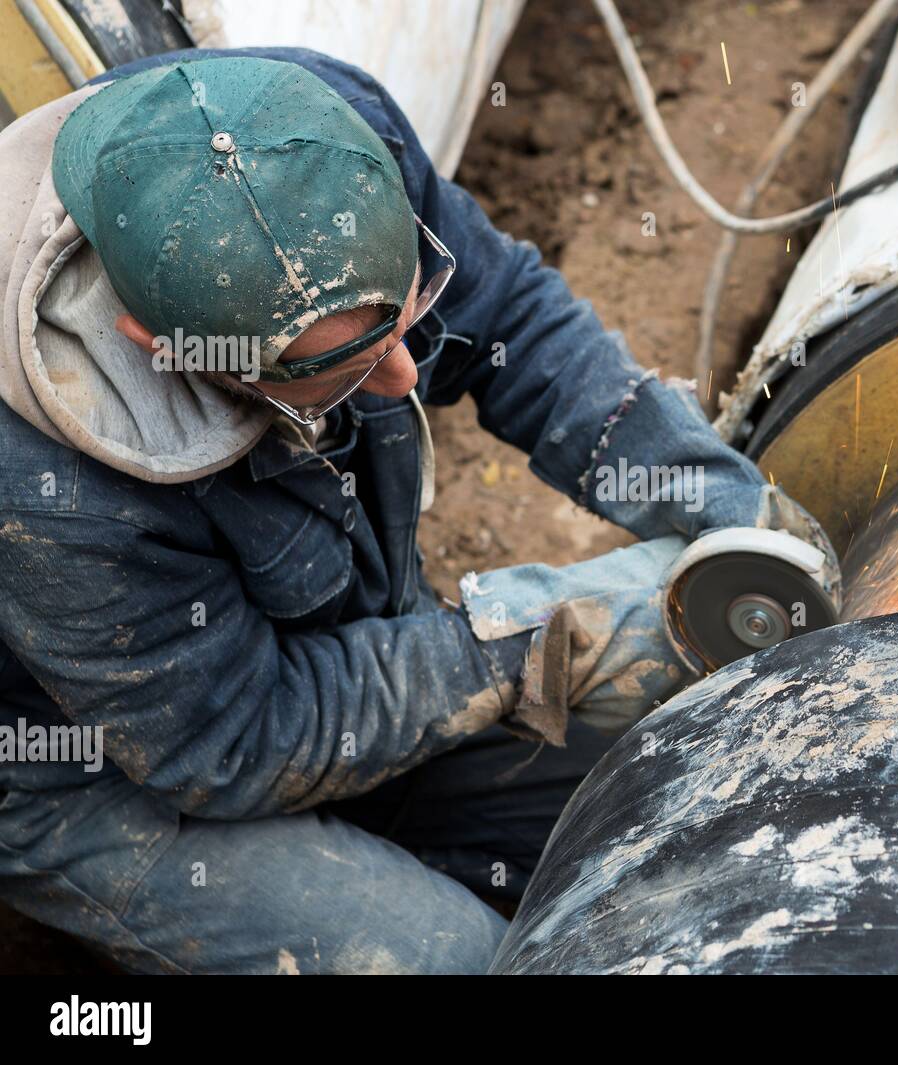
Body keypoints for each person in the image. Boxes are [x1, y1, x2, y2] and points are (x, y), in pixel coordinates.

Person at [0, 48, 837, 973]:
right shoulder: (48, 494)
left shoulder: (315, 142)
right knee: (473, 961)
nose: (405, 377)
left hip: (329, 647)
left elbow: (513, 322)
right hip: (113, 770)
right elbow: (232, 741)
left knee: (650, 812)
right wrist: (525, 641)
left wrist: (721, 503)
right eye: (345, 373)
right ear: (161, 347)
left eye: (407, 318)